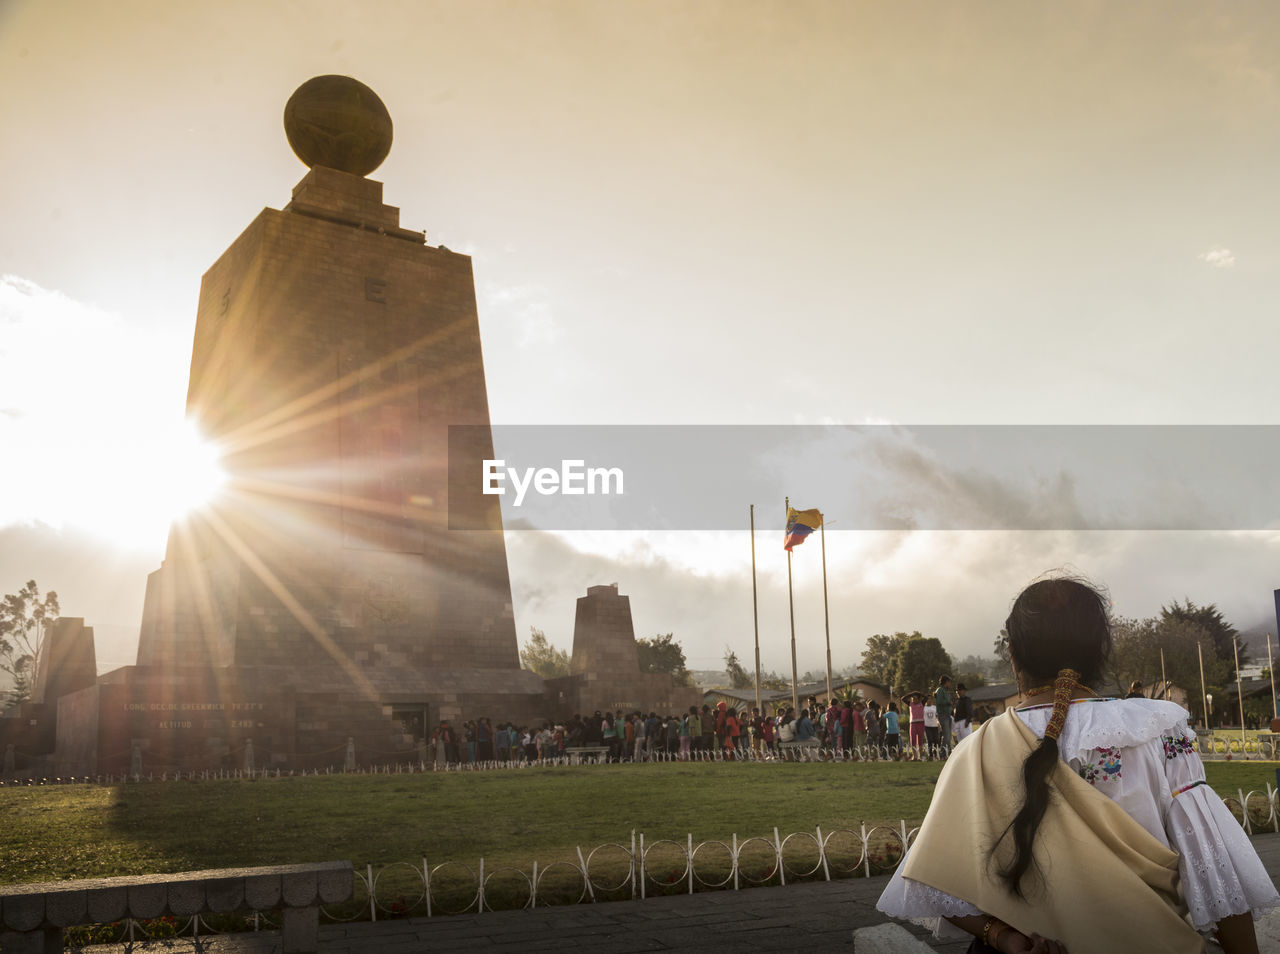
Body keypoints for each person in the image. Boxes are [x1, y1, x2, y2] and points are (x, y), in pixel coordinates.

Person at [877, 574, 1278, 953]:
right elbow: (1215, 868)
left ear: (1012, 654)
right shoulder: (1156, 730)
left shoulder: (975, 750)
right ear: (1099, 650)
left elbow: (935, 879)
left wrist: (1001, 937)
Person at [934, 675, 954, 748]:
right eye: (949, 682)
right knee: (946, 735)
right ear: (946, 682)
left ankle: (946, 751)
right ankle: (943, 753)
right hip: (943, 715)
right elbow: (939, 701)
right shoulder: (940, 690)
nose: (950, 684)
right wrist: (948, 703)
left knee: (948, 735)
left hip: (947, 715)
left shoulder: (945, 691)